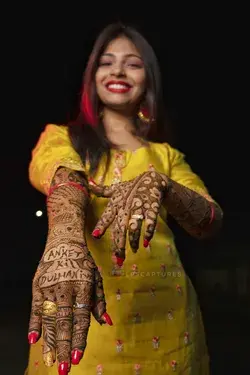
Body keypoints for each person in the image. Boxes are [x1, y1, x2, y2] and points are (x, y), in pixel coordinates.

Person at [25, 22, 223, 375]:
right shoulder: (62, 138)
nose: (118, 70)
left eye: (132, 63)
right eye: (106, 61)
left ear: (149, 78)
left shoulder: (166, 157)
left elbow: (210, 220)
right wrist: (65, 241)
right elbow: (61, 172)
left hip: (168, 322)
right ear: (92, 76)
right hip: (84, 314)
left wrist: (163, 185)